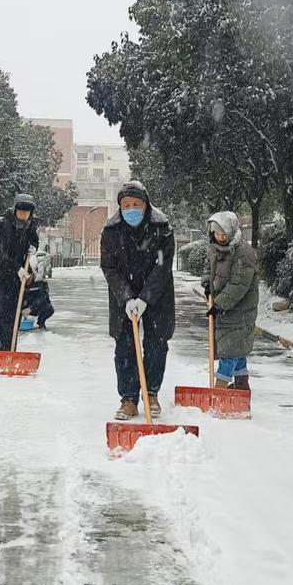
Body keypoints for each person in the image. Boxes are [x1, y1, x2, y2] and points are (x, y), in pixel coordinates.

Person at [100, 180, 175, 420]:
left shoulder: (161, 228)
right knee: (125, 346)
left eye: (136, 204)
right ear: (120, 206)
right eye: (126, 204)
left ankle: (151, 393)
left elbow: (162, 266)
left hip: (157, 295)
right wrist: (126, 297)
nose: (131, 208)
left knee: (156, 344)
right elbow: (109, 268)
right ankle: (129, 399)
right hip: (123, 296)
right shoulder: (111, 231)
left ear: (146, 205)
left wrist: (145, 298)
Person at [203, 211, 258, 391]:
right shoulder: (215, 248)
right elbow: (208, 268)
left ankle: (219, 389)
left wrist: (219, 304)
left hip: (240, 311)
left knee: (229, 352)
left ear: (232, 231)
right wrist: (206, 284)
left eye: (223, 233)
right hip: (224, 310)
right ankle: (242, 385)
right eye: (216, 233)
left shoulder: (244, 253)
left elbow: (239, 284)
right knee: (237, 350)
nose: (220, 237)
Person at [0, 193, 40, 350]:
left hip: (16, 284)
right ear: (15, 209)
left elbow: (33, 240)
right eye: (21, 211)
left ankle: (9, 353)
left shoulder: (30, 225)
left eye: (27, 212)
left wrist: (34, 247)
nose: (23, 214)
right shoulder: (1, 225)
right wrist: (16, 268)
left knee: (12, 320)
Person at [22, 249, 56, 329]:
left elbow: (43, 298)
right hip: (23, 306)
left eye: (28, 279)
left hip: (34, 306)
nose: (26, 281)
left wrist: (31, 308)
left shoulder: (40, 282)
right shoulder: (19, 282)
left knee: (49, 309)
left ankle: (41, 322)